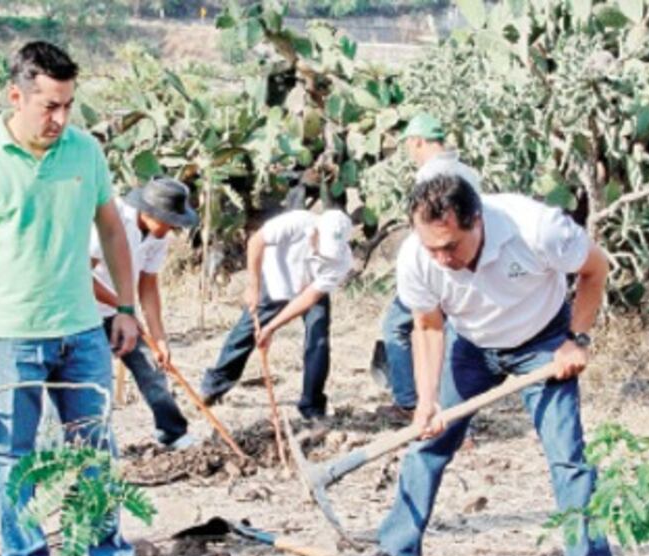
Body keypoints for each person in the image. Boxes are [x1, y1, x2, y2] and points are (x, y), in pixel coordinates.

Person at [360, 174, 619, 556]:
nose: (441, 259)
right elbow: (427, 325)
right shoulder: (416, 259)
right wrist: (426, 401)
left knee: (567, 458)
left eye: (451, 247)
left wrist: (577, 339)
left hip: (542, 343)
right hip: (471, 345)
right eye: (431, 249)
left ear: (477, 221)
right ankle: (396, 550)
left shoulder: (537, 228)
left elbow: (596, 268)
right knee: (429, 442)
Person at [0, 41, 141, 556]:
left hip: (81, 332)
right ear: (15, 95)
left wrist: (125, 307)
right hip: (9, 338)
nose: (61, 118)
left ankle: (105, 555)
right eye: (49, 106)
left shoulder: (84, 152)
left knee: (96, 446)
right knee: (13, 455)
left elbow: (113, 232)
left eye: (69, 105)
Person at [200, 209, 352, 421]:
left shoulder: (342, 261)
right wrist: (253, 286)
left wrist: (272, 328)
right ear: (315, 232)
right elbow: (256, 242)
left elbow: (308, 298)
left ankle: (312, 406)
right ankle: (212, 388)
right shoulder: (296, 222)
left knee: (318, 342)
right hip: (274, 282)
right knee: (245, 332)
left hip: (308, 291)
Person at [379, 112, 481, 418]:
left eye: (409, 145)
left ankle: (409, 402)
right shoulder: (467, 171)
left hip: (434, 267)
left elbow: (429, 231)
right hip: (466, 263)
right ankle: (452, 412)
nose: (409, 153)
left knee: (396, 328)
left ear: (417, 141)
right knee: (451, 337)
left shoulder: (429, 177)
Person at [91, 177, 199, 450]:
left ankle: (173, 432)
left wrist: (160, 338)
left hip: (119, 312)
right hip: (85, 313)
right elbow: (80, 275)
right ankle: (88, 448)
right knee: (92, 384)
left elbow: (148, 286)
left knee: (151, 369)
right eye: (169, 220)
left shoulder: (158, 234)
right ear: (149, 212)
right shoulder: (110, 219)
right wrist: (122, 307)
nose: (173, 227)